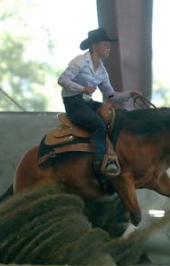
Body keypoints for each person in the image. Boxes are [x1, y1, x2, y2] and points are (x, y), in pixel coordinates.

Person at [58, 28, 142, 176]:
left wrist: (129, 93)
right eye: (105, 44)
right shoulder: (79, 61)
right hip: (73, 103)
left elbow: (111, 95)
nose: (109, 47)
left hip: (86, 102)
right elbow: (62, 79)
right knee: (98, 124)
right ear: (94, 46)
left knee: (118, 117)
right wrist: (82, 88)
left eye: (109, 45)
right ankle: (102, 160)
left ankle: (116, 155)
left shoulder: (102, 71)